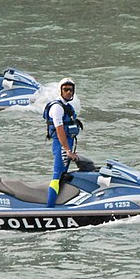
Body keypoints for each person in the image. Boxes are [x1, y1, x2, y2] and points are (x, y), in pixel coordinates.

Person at [42, 77, 84, 207]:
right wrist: (67, 150)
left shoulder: (68, 107)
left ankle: (59, 202)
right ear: (60, 91)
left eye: (71, 90)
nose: (68, 92)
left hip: (67, 144)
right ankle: (50, 207)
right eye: (65, 90)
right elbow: (60, 130)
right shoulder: (57, 108)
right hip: (61, 145)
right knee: (57, 175)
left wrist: (70, 149)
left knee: (63, 175)